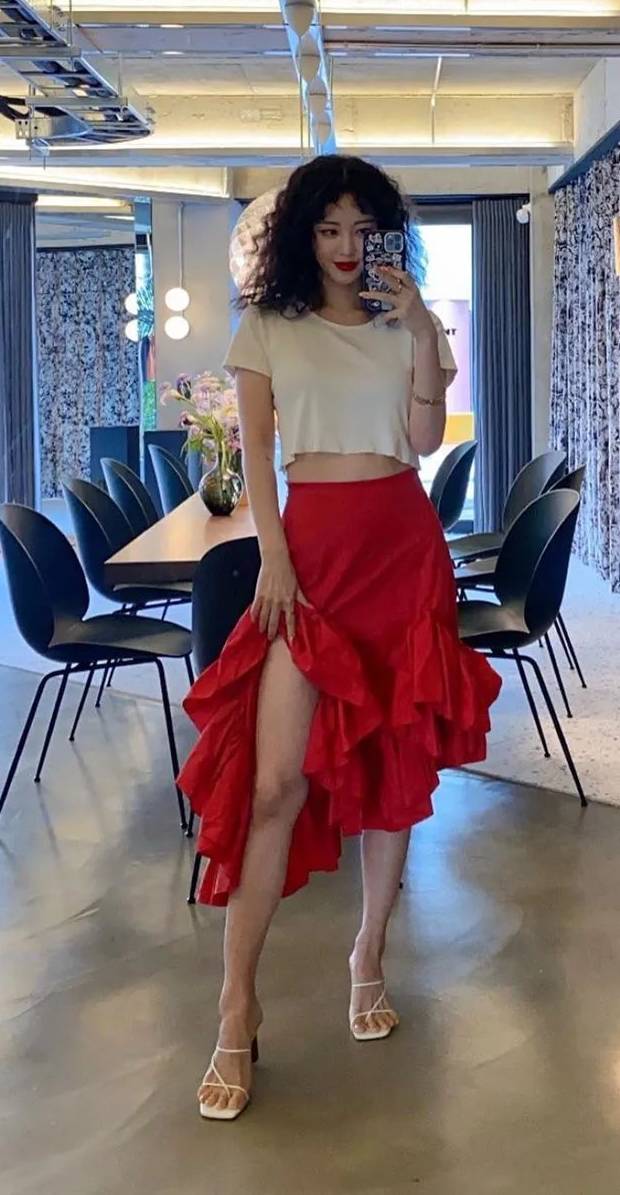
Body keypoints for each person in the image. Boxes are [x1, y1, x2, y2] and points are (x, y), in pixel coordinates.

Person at [178, 155, 502, 1121]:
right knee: (274, 784)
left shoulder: (404, 326)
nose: (347, 247)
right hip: (311, 554)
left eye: (363, 229)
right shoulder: (266, 327)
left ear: (386, 235)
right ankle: (236, 1004)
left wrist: (427, 329)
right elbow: (259, 454)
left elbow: (425, 438)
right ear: (302, 236)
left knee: (393, 767)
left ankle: (370, 954)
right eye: (329, 229)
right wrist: (274, 560)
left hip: (401, 549)